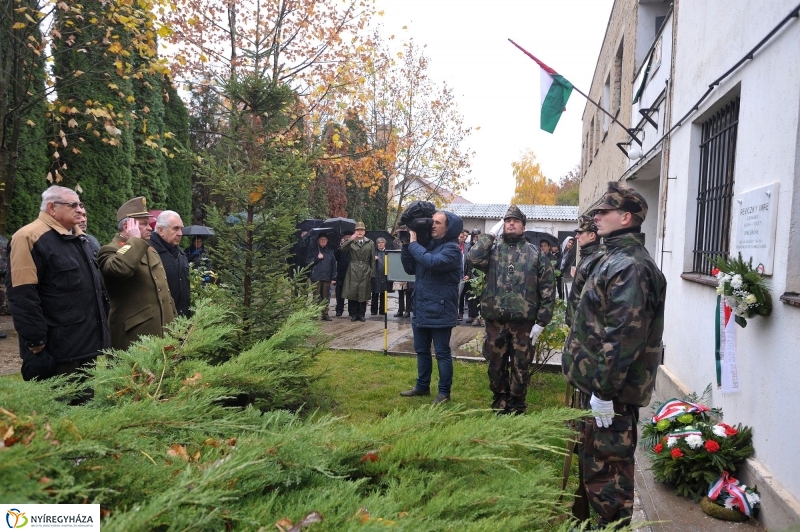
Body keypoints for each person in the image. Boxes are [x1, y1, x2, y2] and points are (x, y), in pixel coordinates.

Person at [562, 181, 667, 529]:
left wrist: (604, 392)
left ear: (626, 217)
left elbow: (623, 337)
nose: (596, 216)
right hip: (598, 387)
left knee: (609, 478)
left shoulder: (630, 266)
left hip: (611, 395)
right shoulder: (614, 257)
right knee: (595, 466)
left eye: (603, 211)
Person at [6, 186, 110, 380]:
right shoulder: (28, 237)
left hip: (85, 345)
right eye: (73, 205)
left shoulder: (81, 238)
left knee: (86, 406)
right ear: (52, 208)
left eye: (80, 204)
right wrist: (36, 342)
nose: (80, 209)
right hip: (56, 350)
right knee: (59, 406)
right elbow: (22, 295)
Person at [467, 205, 556, 415]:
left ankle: (517, 404)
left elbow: (547, 289)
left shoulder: (535, 254)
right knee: (495, 365)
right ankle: (500, 401)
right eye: (507, 221)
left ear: (523, 227)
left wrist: (541, 322)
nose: (511, 224)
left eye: (515, 221)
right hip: (495, 322)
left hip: (523, 324)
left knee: (521, 366)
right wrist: (490, 234)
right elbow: (472, 257)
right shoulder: (493, 251)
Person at [97, 197, 178, 350]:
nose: (150, 228)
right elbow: (120, 269)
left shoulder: (150, 250)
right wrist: (134, 239)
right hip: (135, 335)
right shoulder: (109, 250)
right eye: (144, 224)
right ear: (128, 226)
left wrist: (175, 324)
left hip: (164, 331)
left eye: (149, 223)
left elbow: (165, 294)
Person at [399, 210, 463, 404]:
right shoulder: (427, 247)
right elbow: (410, 268)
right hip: (421, 306)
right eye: (432, 222)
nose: (432, 225)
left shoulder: (452, 250)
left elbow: (432, 262)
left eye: (437, 223)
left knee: (442, 352)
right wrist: (405, 245)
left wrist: (414, 244)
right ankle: (422, 386)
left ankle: (444, 393)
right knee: (422, 350)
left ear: (448, 227)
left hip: (441, 309)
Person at [149, 211, 191, 318]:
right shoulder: (148, 253)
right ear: (160, 230)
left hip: (182, 321)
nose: (180, 233)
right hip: (160, 321)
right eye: (175, 228)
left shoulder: (181, 254)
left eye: (181, 228)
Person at [565, 215, 603, 328]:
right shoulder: (587, 256)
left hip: (586, 328)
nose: (576, 237)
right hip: (579, 324)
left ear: (592, 235)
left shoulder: (597, 260)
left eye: (580, 233)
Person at [340, 222, 375, 322]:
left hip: (365, 269)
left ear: (364, 232)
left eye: (361, 230)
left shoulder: (370, 243)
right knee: (353, 292)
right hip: (353, 269)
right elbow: (342, 249)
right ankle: (354, 314)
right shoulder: (351, 241)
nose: (359, 232)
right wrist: (351, 239)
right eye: (358, 230)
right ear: (355, 231)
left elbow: (372, 259)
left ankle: (362, 314)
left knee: (363, 292)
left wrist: (372, 273)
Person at [306, 233, 337, 320]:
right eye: (321, 239)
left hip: (326, 278)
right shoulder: (313, 251)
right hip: (316, 277)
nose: (323, 241)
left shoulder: (330, 252)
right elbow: (308, 262)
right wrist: (317, 258)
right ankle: (315, 313)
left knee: (325, 297)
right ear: (318, 241)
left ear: (327, 241)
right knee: (316, 297)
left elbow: (334, 265)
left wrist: (334, 277)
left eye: (325, 240)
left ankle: (325, 314)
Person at [370, 237, 388, 316]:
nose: (380, 244)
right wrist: (373, 259)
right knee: (375, 293)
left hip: (384, 276)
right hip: (376, 275)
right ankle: (373, 310)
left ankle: (382, 310)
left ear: (385, 243)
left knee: (384, 293)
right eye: (379, 243)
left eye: (382, 242)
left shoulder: (388, 252)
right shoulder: (373, 253)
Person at [334, 235, 351, 317]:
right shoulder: (340, 248)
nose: (347, 238)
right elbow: (335, 257)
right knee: (339, 294)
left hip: (351, 274)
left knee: (351, 293)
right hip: (341, 274)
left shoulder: (353, 247)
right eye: (345, 237)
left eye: (348, 237)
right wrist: (340, 247)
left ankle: (351, 310)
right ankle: (339, 310)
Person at [456, 229, 470, 322]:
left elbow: (469, 262)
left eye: (462, 237)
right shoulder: (452, 247)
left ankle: (457, 314)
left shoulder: (466, 247)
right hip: (453, 276)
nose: (460, 239)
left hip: (462, 276)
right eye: (459, 237)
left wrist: (468, 274)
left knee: (458, 296)